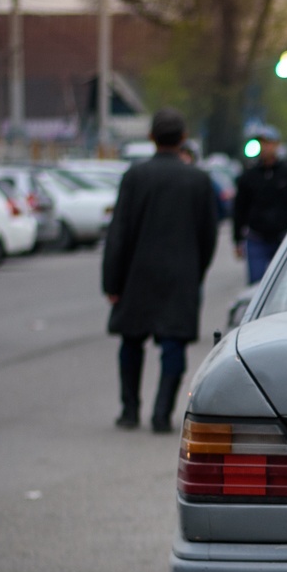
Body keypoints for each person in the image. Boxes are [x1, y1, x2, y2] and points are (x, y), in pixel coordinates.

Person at [102, 109, 219, 433]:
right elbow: (207, 235)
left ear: (151, 137)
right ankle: (161, 414)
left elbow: (119, 232)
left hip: (137, 275)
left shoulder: (135, 176)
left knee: (131, 342)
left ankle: (129, 410)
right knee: (173, 345)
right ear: (183, 139)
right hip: (180, 276)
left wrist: (112, 281)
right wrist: (196, 271)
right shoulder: (198, 180)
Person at [232, 125, 287, 284]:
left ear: (277, 145)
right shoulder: (249, 176)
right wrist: (237, 239)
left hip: (283, 237)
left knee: (282, 284)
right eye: (261, 143)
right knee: (256, 285)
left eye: (268, 143)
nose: (265, 147)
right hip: (256, 237)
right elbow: (240, 208)